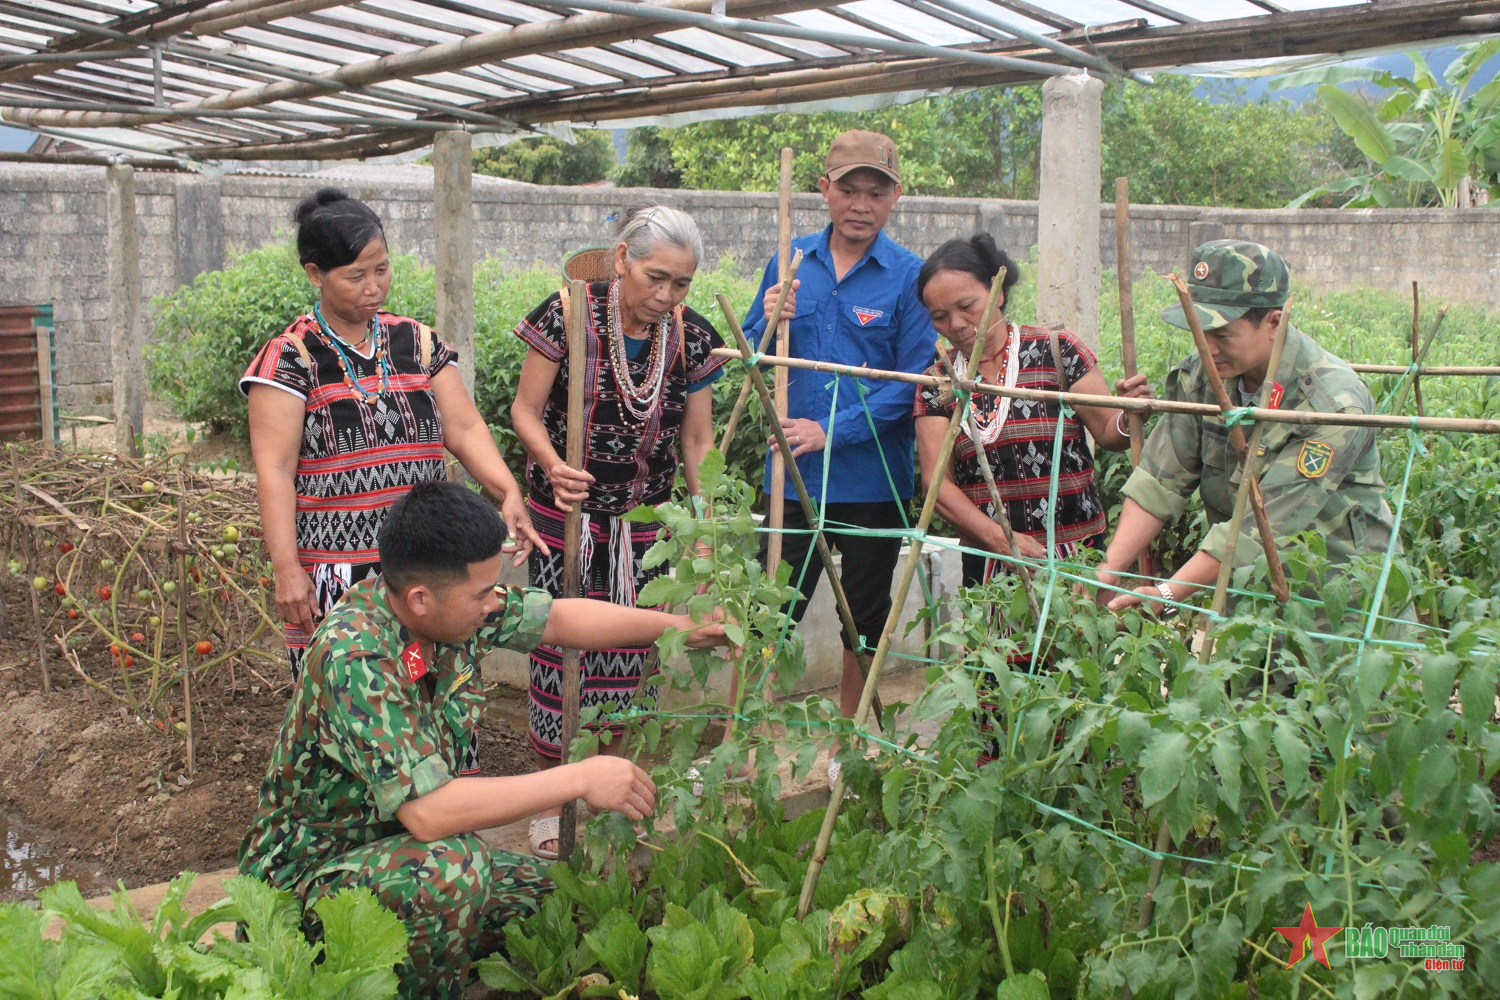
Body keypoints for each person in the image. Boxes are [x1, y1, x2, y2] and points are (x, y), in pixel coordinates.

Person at [239, 481, 728, 1000]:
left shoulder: (452, 612)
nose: (495, 601)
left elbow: (559, 617)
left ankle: (427, 956)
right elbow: (432, 813)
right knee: (455, 873)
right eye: (483, 592)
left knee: (550, 901)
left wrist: (678, 626)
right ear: (421, 598)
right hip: (304, 891)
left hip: (391, 853)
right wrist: (581, 776)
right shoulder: (356, 660)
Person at [242, 188, 543, 704]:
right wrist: (287, 568)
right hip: (339, 572)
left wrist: (506, 491)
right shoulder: (289, 359)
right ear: (315, 274)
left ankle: (454, 786)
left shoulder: (417, 343)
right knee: (354, 707)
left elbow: (466, 429)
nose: (373, 287)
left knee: (437, 693)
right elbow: (274, 468)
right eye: (355, 275)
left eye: (381, 269)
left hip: (428, 568)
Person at [510, 205, 726, 858]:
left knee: (631, 661)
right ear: (624, 259)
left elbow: (697, 439)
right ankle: (552, 796)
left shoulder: (692, 337)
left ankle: (613, 790)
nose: (665, 296)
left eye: (681, 284)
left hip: (643, 526)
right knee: (561, 655)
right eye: (656, 277)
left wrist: (704, 529)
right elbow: (523, 411)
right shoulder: (568, 314)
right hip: (565, 521)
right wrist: (552, 464)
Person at [741, 130, 937, 748]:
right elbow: (750, 352)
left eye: (874, 192)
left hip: (871, 480)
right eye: (847, 189)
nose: (860, 203)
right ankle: (742, 738)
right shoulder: (790, 260)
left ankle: (846, 745)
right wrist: (766, 319)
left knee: (864, 616)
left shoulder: (910, 277)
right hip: (792, 477)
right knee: (769, 611)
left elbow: (912, 384)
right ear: (823, 190)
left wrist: (831, 429)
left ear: (895, 197)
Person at [1096, 239, 1399, 618]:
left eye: (1221, 335)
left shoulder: (1331, 404)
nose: (1207, 348)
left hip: (1339, 611)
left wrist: (1168, 593)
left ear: (1274, 322)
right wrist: (1105, 573)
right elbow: (1159, 482)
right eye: (1198, 330)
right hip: (1247, 602)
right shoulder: (1205, 377)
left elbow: (1261, 524)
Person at [914, 234, 1152, 588]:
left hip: (1078, 557)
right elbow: (938, 487)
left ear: (999, 292)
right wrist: (1001, 540)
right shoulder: (939, 382)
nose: (957, 324)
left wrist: (1130, 416)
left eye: (967, 305)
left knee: (1071, 640)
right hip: (991, 564)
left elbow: (1109, 433)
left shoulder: (1057, 352)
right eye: (940, 316)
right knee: (997, 644)